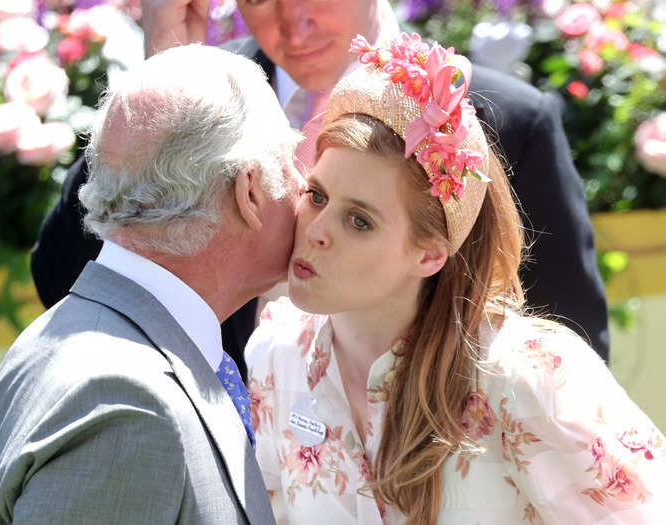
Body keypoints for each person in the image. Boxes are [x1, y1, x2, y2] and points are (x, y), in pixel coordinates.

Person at [30, 0, 609, 379]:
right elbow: (63, 276)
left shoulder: (507, 122)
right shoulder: (198, 86)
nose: (293, 24)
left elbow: (569, 342)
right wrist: (167, 80)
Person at [245, 35, 664, 524]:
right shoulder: (276, 352)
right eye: (316, 196)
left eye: (359, 221)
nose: (315, 232)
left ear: (429, 255)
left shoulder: (529, 374)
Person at [0, 43, 304, 524]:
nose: (306, 184)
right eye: (292, 158)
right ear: (249, 191)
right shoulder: (132, 405)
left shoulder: (84, 340)